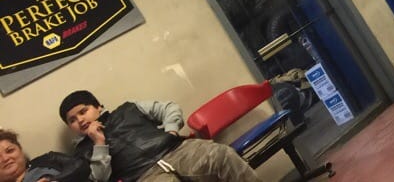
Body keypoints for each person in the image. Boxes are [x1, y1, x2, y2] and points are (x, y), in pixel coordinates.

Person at [58, 91, 262, 182]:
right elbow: (100, 178)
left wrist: (171, 130)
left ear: (98, 107)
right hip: (144, 176)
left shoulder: (128, 109)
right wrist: (99, 143)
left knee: (221, 155)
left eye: (83, 111)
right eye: (72, 120)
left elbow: (169, 108)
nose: (80, 120)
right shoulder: (83, 152)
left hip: (178, 151)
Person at [0, 130, 87, 182]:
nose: (5, 158)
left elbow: (81, 166)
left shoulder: (46, 159)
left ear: (20, 150)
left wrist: (53, 180)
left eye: (10, 151)